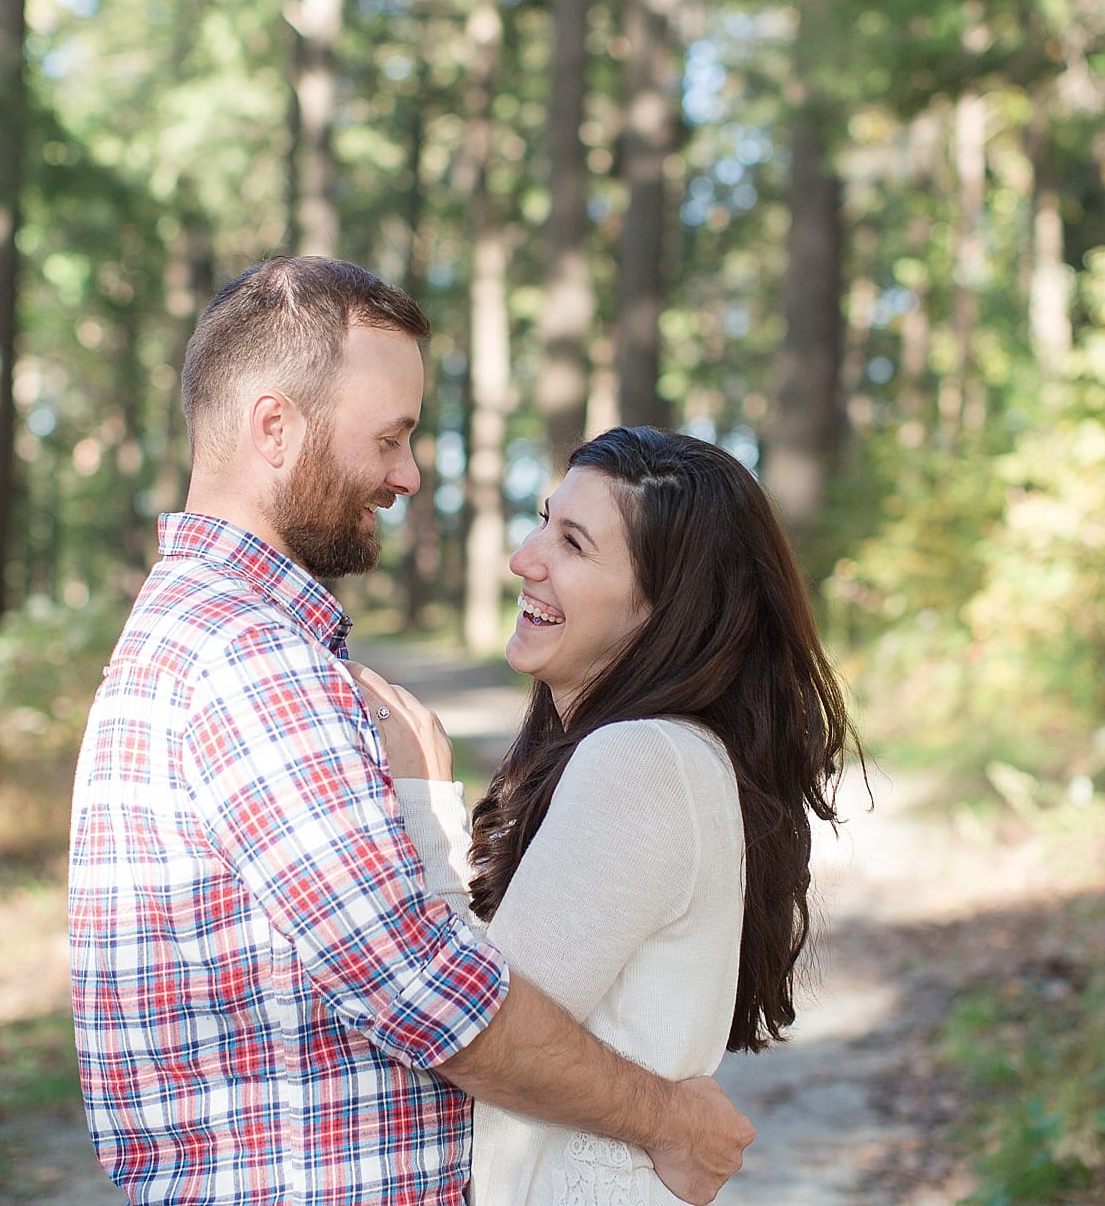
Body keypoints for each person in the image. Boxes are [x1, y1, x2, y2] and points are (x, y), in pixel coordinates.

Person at [67, 258, 754, 1206]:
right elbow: (437, 1003)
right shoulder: (252, 658)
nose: (407, 473)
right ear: (275, 426)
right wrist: (674, 1119)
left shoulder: (201, 634)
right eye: (389, 438)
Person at [349, 425, 859, 1206]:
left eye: (574, 543)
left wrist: (424, 801)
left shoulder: (642, 760)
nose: (526, 558)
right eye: (544, 520)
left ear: (665, 609)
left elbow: (479, 1030)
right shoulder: (665, 754)